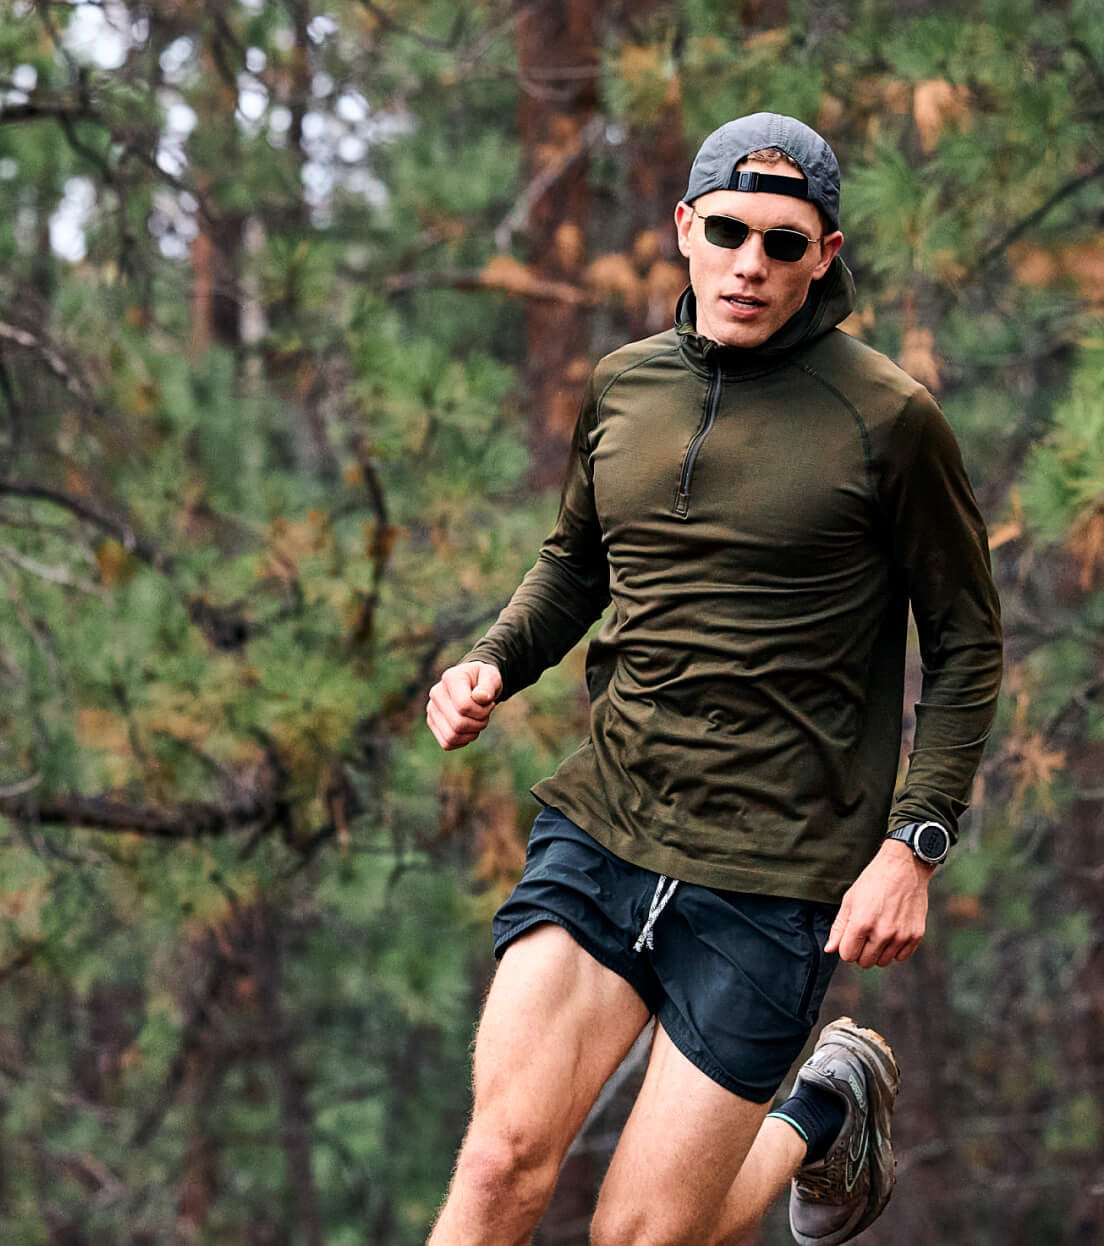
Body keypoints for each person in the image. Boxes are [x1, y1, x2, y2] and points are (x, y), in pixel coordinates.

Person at [422, 112, 1000, 1246]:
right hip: (608, 825)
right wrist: (493, 660)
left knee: (637, 1237)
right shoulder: (625, 387)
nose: (751, 264)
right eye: (729, 231)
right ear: (685, 227)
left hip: (774, 876)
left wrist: (914, 844)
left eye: (785, 243)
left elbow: (968, 642)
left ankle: (822, 1111)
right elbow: (577, 562)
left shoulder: (889, 421)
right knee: (497, 1165)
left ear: (825, 255)